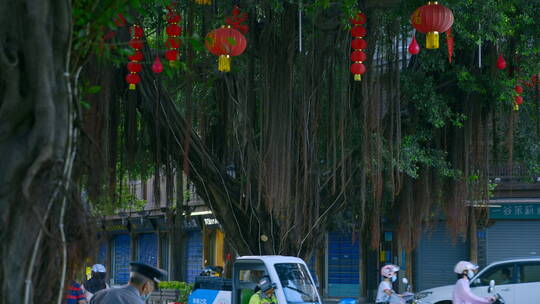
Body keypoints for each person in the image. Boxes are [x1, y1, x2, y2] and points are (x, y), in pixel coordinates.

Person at [90, 262, 167, 304]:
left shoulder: (99, 295)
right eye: (152, 287)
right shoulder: (137, 302)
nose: (150, 291)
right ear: (146, 285)